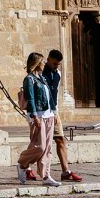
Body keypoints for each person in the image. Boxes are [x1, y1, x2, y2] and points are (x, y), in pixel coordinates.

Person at [33, 49, 82, 182]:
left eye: (58, 64)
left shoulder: (58, 74)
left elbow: (53, 95)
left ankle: (66, 171)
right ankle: (24, 167)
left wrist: (55, 112)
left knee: (60, 139)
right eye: (54, 63)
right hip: (41, 113)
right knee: (39, 144)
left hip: (53, 112)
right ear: (48, 60)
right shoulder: (40, 74)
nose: (56, 66)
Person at [17, 53, 60, 187]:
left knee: (47, 149)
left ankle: (46, 176)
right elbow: (31, 99)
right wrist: (35, 116)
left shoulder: (42, 78)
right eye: (42, 62)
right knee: (39, 147)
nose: (44, 64)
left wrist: (55, 113)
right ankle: (22, 163)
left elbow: (50, 98)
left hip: (49, 116)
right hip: (38, 117)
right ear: (37, 63)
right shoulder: (29, 79)